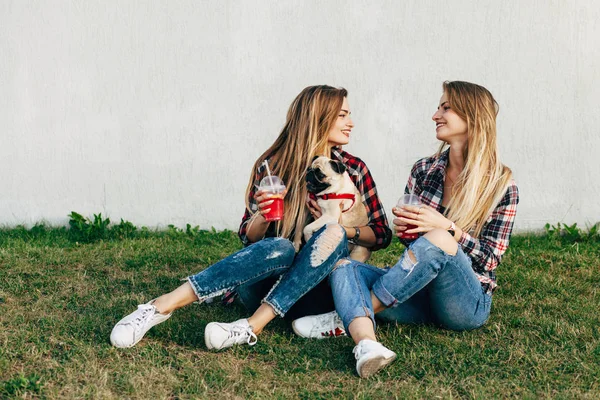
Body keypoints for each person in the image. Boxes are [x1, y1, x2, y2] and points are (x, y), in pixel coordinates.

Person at [110, 85, 392, 350]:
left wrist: (345, 227)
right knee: (280, 247)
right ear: (318, 117)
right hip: (264, 284)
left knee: (334, 234)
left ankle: (251, 326)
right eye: (343, 115)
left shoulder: (351, 169)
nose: (351, 122)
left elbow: (380, 235)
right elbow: (249, 237)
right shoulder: (274, 166)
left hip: (319, 292)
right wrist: (264, 216)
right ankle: (160, 306)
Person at [293, 81, 519, 378]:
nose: (435, 115)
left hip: (464, 304)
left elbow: (489, 260)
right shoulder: (424, 170)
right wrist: (408, 230)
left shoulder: (502, 185)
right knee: (346, 266)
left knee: (439, 238)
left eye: (446, 108)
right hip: (415, 293)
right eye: (439, 107)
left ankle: (346, 314)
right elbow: (413, 250)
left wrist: (448, 229)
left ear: (472, 117)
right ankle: (367, 344)